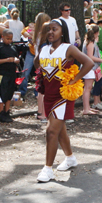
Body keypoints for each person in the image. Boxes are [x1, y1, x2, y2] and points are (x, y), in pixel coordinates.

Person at [35, 19, 94, 183]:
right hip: (49, 95)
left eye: (55, 29)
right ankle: (70, 158)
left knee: (51, 131)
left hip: (63, 96)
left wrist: (75, 79)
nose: (51, 32)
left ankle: (48, 169)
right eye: (48, 30)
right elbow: (37, 63)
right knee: (60, 130)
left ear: (63, 32)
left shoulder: (68, 48)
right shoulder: (44, 49)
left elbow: (88, 63)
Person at [0, 29, 19, 122]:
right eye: (7, 38)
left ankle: (7, 111)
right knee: (0, 93)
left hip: (11, 73)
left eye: (11, 39)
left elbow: (16, 57)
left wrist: (16, 60)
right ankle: (0, 112)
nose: (9, 41)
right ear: (2, 37)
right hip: (1, 73)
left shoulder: (13, 47)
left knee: (9, 93)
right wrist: (7, 60)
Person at [80, 24, 102, 115]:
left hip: (89, 68)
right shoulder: (90, 42)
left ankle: (88, 107)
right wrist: (101, 60)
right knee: (88, 88)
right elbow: (90, 56)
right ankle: (86, 109)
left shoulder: (88, 41)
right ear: (96, 33)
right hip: (89, 68)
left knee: (88, 87)